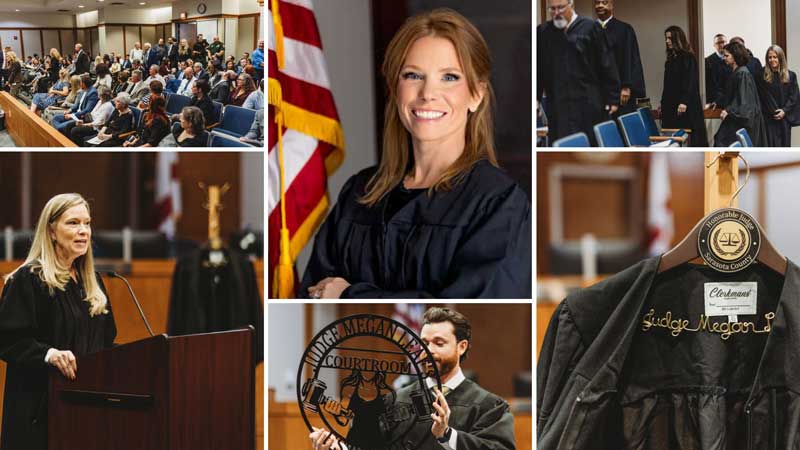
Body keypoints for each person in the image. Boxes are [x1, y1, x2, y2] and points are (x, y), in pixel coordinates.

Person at [301, 8, 530, 299]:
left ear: (476, 94)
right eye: (413, 75)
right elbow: (312, 297)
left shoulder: (498, 203)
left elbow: (464, 315)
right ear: (394, 88)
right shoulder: (359, 193)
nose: (427, 93)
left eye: (449, 77)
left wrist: (351, 296)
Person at [0, 193, 116, 450]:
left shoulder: (92, 282)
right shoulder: (28, 279)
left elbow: (107, 342)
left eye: (87, 223)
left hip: (86, 409)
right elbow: (8, 339)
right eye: (73, 223)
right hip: (40, 412)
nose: (83, 231)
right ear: (51, 231)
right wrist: (49, 354)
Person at [308, 307, 515, 450]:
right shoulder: (393, 401)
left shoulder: (490, 407)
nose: (428, 350)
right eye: (424, 342)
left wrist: (447, 434)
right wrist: (335, 447)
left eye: (439, 343)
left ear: (461, 347)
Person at [537, 0, 620, 146]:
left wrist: (612, 98)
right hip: (558, 106)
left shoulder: (590, 28)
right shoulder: (544, 32)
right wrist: (536, 98)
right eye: (552, 9)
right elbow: (539, 69)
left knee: (587, 146)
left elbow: (607, 64)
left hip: (588, 104)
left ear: (571, 5)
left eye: (561, 8)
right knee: (561, 145)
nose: (556, 13)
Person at [594, 0, 645, 116]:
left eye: (604, 2)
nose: (600, 5)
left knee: (620, 124)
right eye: (597, 3)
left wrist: (626, 86)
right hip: (597, 93)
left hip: (620, 93)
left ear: (612, 5)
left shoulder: (624, 29)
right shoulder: (589, 30)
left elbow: (630, 59)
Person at [659, 25, 708, 146]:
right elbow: (667, 85)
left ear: (678, 39)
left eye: (670, 38)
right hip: (671, 105)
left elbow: (691, 81)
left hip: (685, 105)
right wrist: (662, 103)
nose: (667, 41)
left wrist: (684, 101)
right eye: (666, 38)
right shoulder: (670, 59)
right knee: (673, 138)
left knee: (689, 138)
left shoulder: (688, 57)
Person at [713, 41, 766, 147]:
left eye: (727, 56)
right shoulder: (738, 72)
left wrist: (729, 111)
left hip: (742, 121)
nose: (724, 58)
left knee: (722, 141)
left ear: (735, 56)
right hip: (736, 118)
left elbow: (744, 102)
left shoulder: (742, 74)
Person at [762, 45, 800, 147]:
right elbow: (762, 97)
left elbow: (794, 97)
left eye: (775, 57)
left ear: (780, 58)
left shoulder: (791, 76)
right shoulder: (762, 76)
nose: (772, 60)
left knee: (784, 146)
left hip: (784, 119)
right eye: (769, 57)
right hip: (769, 120)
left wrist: (784, 111)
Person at [704, 33, 732, 109]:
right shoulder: (708, 61)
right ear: (714, 45)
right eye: (718, 43)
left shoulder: (732, 59)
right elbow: (707, 83)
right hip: (714, 101)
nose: (722, 45)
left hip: (730, 99)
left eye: (723, 42)